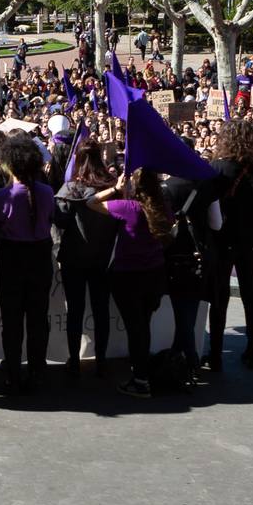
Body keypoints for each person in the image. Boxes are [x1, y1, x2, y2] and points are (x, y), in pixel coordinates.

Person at [87, 169, 175, 398]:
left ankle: (141, 379)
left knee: (135, 328)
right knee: (142, 325)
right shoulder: (162, 208)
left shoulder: (129, 208)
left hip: (128, 276)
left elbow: (91, 202)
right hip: (154, 274)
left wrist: (116, 188)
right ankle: (141, 372)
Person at [206, 121, 253, 370]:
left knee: (219, 296)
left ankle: (215, 354)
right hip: (251, 241)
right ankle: (252, 350)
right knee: (250, 294)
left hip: (223, 239)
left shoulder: (217, 168)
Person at [0, 134, 55, 394]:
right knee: (38, 318)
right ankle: (38, 371)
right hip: (39, 256)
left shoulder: (2, 195)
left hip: (12, 258)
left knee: (12, 320)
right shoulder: (47, 192)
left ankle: (13, 372)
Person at [51, 138, 116, 380]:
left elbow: (60, 221)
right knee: (101, 310)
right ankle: (100, 360)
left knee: (75, 311)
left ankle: (74, 360)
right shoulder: (110, 186)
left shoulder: (71, 189)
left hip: (75, 258)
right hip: (103, 256)